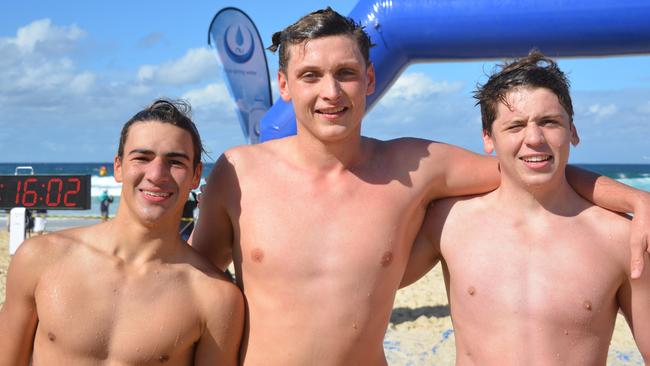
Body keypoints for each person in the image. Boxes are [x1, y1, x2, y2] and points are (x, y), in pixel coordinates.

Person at [190, 8, 650, 365]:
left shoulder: (416, 165)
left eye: (346, 73)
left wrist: (633, 200)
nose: (331, 92)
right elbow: (193, 282)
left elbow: (529, 165)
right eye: (311, 75)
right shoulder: (238, 173)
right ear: (284, 85)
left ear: (369, 79)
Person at [402, 51, 650, 364]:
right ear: (488, 138)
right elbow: (358, 293)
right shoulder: (448, 221)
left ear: (572, 131)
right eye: (515, 126)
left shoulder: (620, 237)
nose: (534, 138)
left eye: (549, 122)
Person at [0, 99, 244, 366]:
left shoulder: (215, 298)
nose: (157, 174)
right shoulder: (40, 259)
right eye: (142, 157)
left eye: (175, 162)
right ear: (118, 167)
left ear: (196, 175)